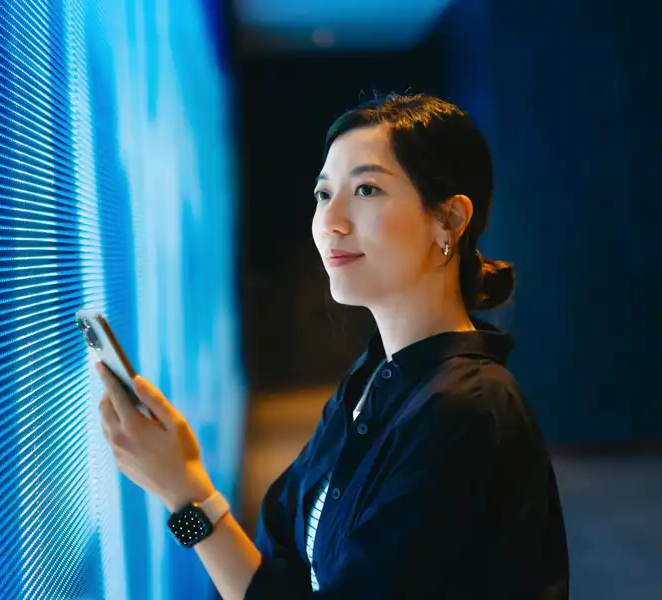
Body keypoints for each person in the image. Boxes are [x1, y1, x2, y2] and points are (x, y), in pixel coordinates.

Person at [96, 93, 570, 599]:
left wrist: (185, 493)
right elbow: (280, 572)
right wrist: (186, 492)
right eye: (324, 194)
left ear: (449, 220)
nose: (331, 222)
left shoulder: (465, 409)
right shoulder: (372, 380)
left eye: (367, 189)